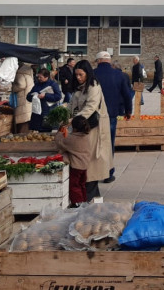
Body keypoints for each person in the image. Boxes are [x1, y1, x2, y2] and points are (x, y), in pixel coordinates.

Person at [69, 59, 112, 200]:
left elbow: (90, 107)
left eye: (81, 75)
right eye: (76, 75)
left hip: (94, 130)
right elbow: (73, 105)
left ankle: (90, 197)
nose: (78, 77)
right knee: (86, 163)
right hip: (83, 129)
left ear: (88, 73)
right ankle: (92, 197)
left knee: (92, 163)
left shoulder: (94, 87)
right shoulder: (80, 87)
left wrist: (74, 120)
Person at [93, 51, 132, 183]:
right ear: (109, 61)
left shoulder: (92, 74)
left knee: (94, 142)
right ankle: (108, 173)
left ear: (98, 61)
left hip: (94, 114)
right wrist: (128, 111)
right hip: (111, 114)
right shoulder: (119, 75)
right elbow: (127, 95)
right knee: (108, 143)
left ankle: (94, 172)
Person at [55, 114, 92, 206]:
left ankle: (77, 203)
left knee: (74, 186)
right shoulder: (86, 136)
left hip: (76, 167)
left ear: (74, 128)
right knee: (82, 185)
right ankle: (84, 202)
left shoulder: (72, 139)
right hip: (85, 166)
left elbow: (59, 142)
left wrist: (59, 131)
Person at [11, 62, 35, 134]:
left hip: (23, 99)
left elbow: (21, 85)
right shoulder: (27, 72)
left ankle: (21, 137)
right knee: (26, 118)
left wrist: (12, 88)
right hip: (27, 98)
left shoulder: (20, 73)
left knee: (22, 120)